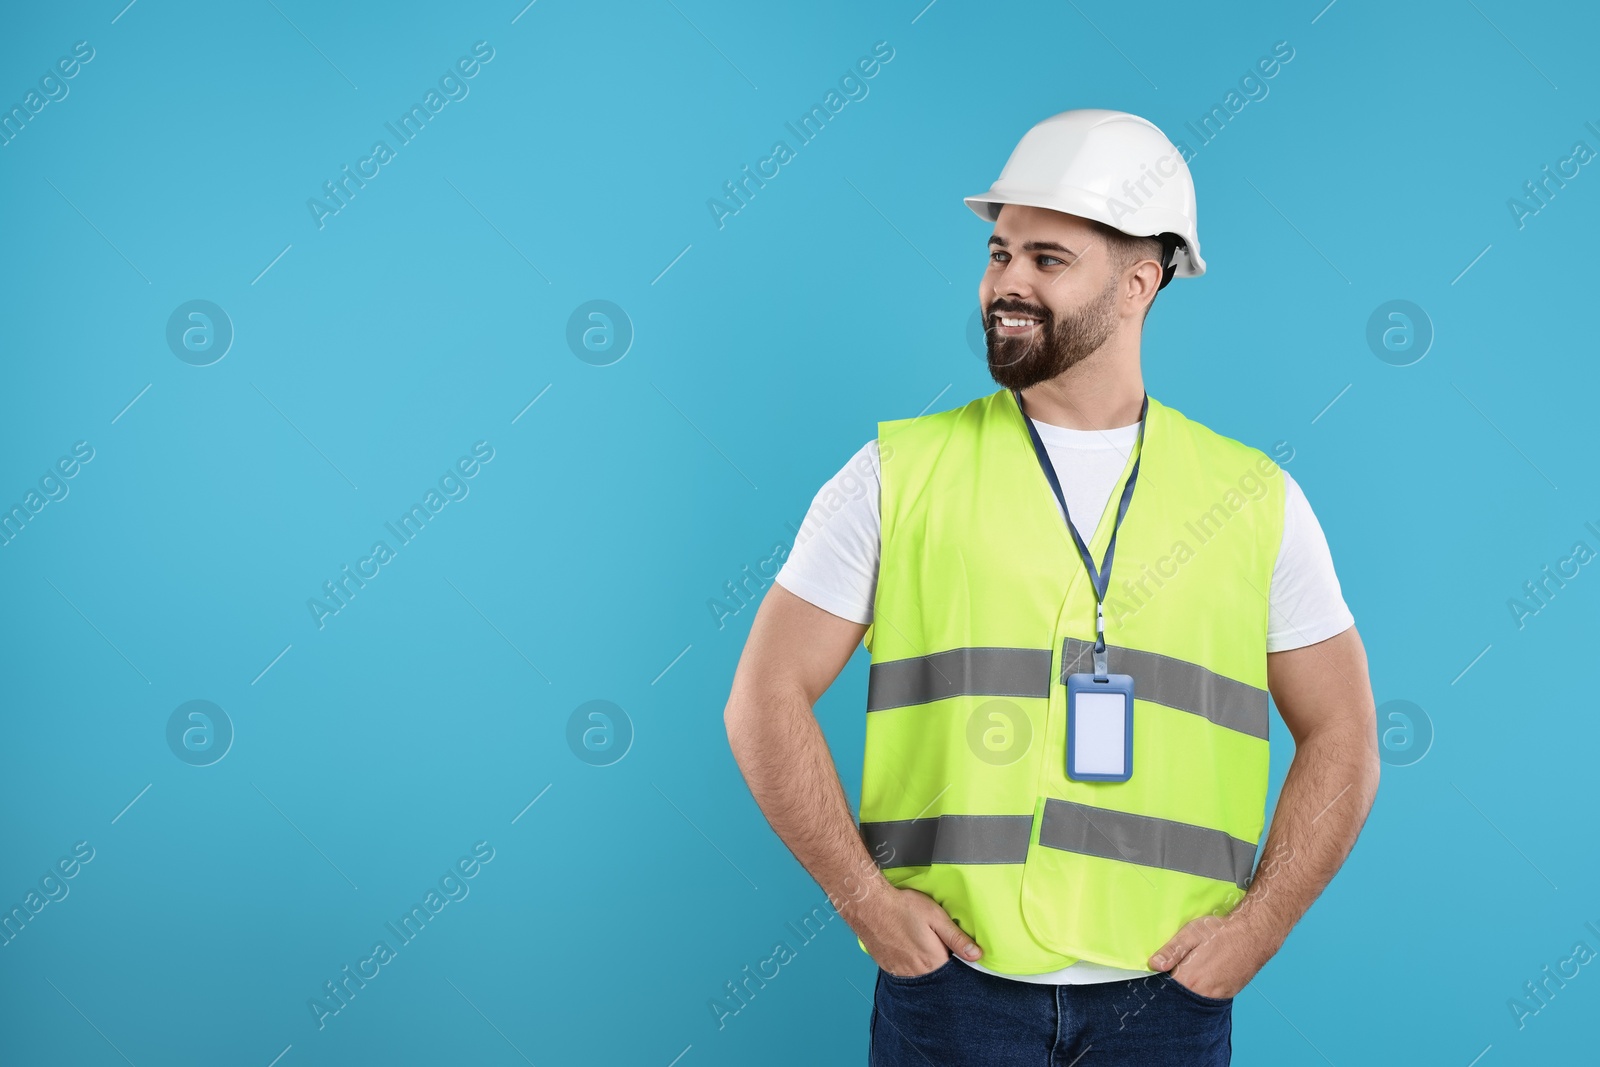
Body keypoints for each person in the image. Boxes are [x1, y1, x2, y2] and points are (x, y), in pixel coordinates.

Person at [722, 108, 1379, 1066]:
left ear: (1142, 280)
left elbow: (1348, 735)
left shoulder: (1252, 500)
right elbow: (761, 698)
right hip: (951, 993)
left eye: (1048, 258)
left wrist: (1254, 931)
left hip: (1166, 1000)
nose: (1007, 284)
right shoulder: (895, 473)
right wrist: (866, 902)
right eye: (998, 254)